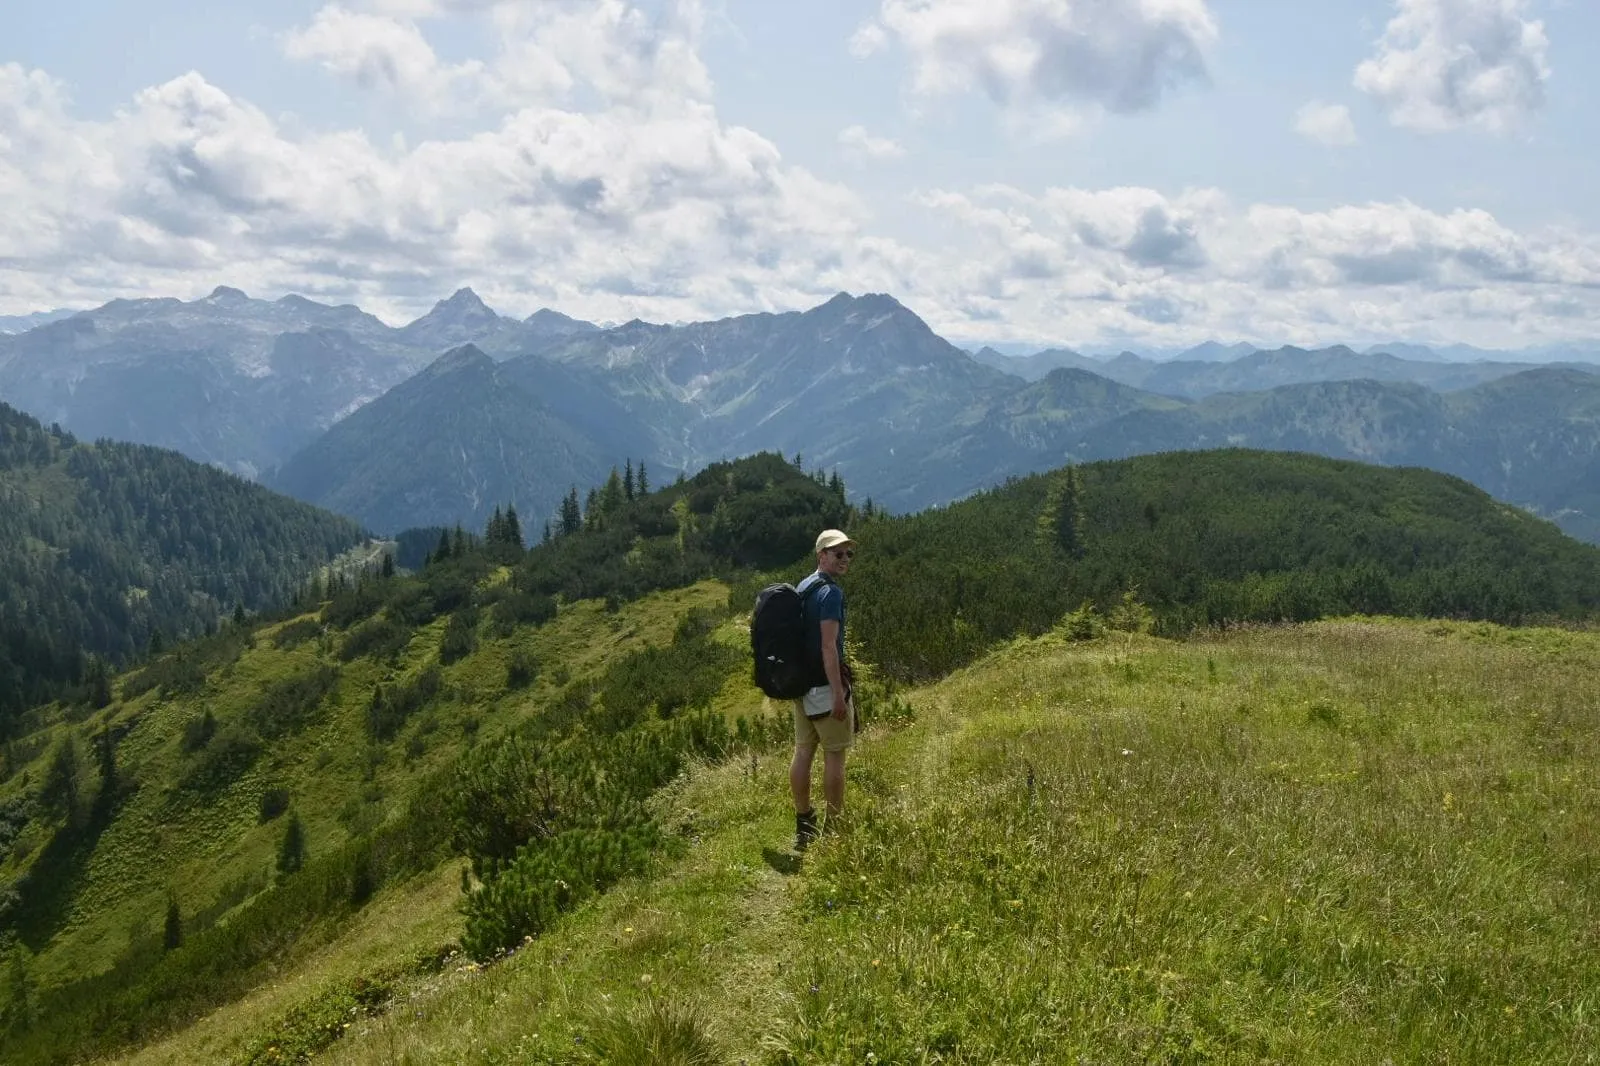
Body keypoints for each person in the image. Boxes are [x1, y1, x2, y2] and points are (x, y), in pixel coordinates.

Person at [791, 528, 856, 850]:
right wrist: (837, 695)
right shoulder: (831, 594)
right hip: (824, 687)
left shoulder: (804, 586)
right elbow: (829, 648)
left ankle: (804, 822)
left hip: (801, 687)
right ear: (822, 556)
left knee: (803, 752)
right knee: (835, 756)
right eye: (837, 553)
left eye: (848, 554)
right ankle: (834, 826)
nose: (844, 559)